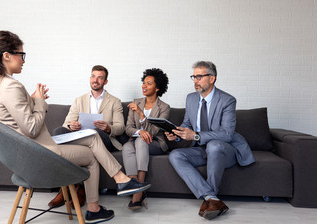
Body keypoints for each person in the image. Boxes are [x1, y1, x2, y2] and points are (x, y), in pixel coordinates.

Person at [0, 31, 151, 224]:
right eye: (21, 54)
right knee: (91, 156)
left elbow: (17, 117)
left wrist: (33, 99)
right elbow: (31, 128)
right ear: (6, 55)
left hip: (25, 153)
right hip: (39, 153)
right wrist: (39, 102)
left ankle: (121, 180)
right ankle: (96, 206)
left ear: (105, 81)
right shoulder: (11, 86)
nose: (23, 60)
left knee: (93, 137)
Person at [165, 61, 255, 220]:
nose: (195, 80)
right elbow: (187, 124)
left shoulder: (227, 100)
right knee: (175, 155)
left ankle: (211, 199)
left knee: (214, 145)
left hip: (226, 150)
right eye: (194, 76)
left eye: (199, 76)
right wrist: (177, 133)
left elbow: (227, 134)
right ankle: (212, 199)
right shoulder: (191, 98)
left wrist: (196, 136)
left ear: (212, 78)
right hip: (202, 149)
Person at [48, 65, 126, 208]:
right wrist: (72, 126)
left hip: (103, 139)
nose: (95, 80)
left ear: (105, 81)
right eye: (93, 76)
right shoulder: (79, 100)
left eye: (99, 77)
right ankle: (72, 189)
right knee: (58, 131)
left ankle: (72, 190)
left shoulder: (115, 101)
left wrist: (108, 128)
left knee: (97, 134)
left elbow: (120, 127)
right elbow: (66, 124)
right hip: (80, 138)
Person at [122, 68, 170, 210]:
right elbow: (128, 128)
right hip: (137, 141)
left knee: (141, 140)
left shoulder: (164, 108)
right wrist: (139, 131)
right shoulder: (136, 102)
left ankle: (139, 190)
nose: (144, 86)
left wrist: (141, 114)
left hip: (156, 144)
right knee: (126, 146)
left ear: (157, 88)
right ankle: (133, 184)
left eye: (149, 83)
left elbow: (153, 132)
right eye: (144, 83)